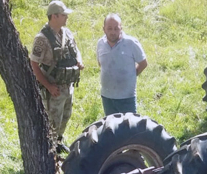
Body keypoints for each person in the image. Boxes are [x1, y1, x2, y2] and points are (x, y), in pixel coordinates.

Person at [30, 1, 84, 142]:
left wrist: (79, 60)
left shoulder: (67, 32)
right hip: (53, 89)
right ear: (54, 16)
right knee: (52, 121)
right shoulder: (41, 39)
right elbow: (34, 64)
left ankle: (58, 142)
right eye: (63, 15)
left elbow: (75, 49)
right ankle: (50, 149)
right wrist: (48, 86)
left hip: (67, 85)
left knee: (66, 116)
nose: (66, 17)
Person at [96, 13, 148, 115]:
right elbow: (101, 64)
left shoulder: (131, 43)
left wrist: (132, 74)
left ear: (121, 28)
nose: (113, 32)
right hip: (107, 97)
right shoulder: (100, 44)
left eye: (116, 28)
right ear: (104, 29)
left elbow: (143, 63)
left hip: (127, 97)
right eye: (109, 28)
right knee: (111, 127)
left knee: (129, 128)